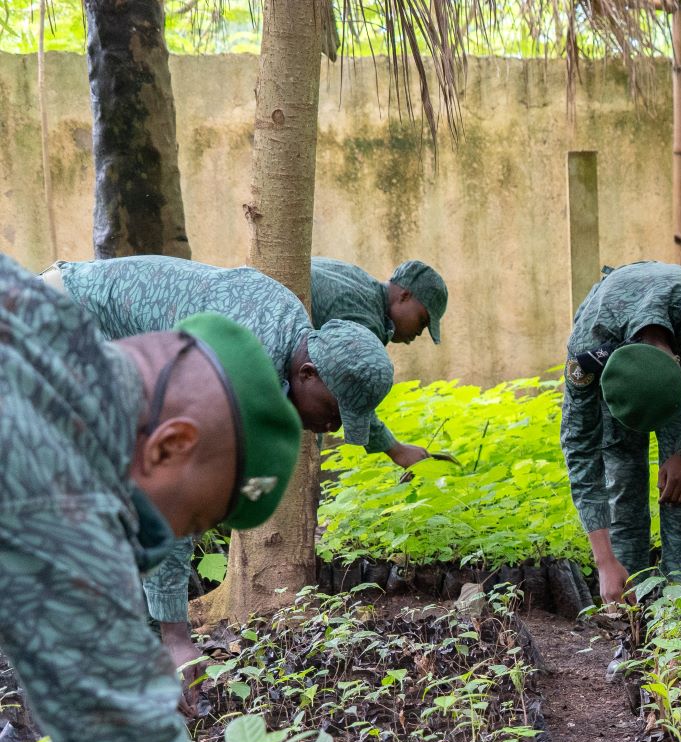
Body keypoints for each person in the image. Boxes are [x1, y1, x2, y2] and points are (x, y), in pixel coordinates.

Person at [0, 254, 406, 742]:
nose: (160, 543)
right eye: (179, 519)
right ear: (170, 443)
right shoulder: (61, 490)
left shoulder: (35, 315)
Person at [48, 255, 435, 698]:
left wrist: (390, 446)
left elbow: (335, 392)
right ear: (306, 374)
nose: (331, 429)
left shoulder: (294, 336)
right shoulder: (231, 375)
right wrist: (176, 637)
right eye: (333, 414)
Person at [561, 261, 681, 603]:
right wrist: (604, 561)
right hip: (612, 351)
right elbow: (580, 447)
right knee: (622, 474)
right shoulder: (588, 351)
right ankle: (631, 614)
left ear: (675, 360)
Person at [310, 257, 448, 346]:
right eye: (422, 321)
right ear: (405, 295)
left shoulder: (354, 274)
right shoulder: (369, 328)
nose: (419, 333)